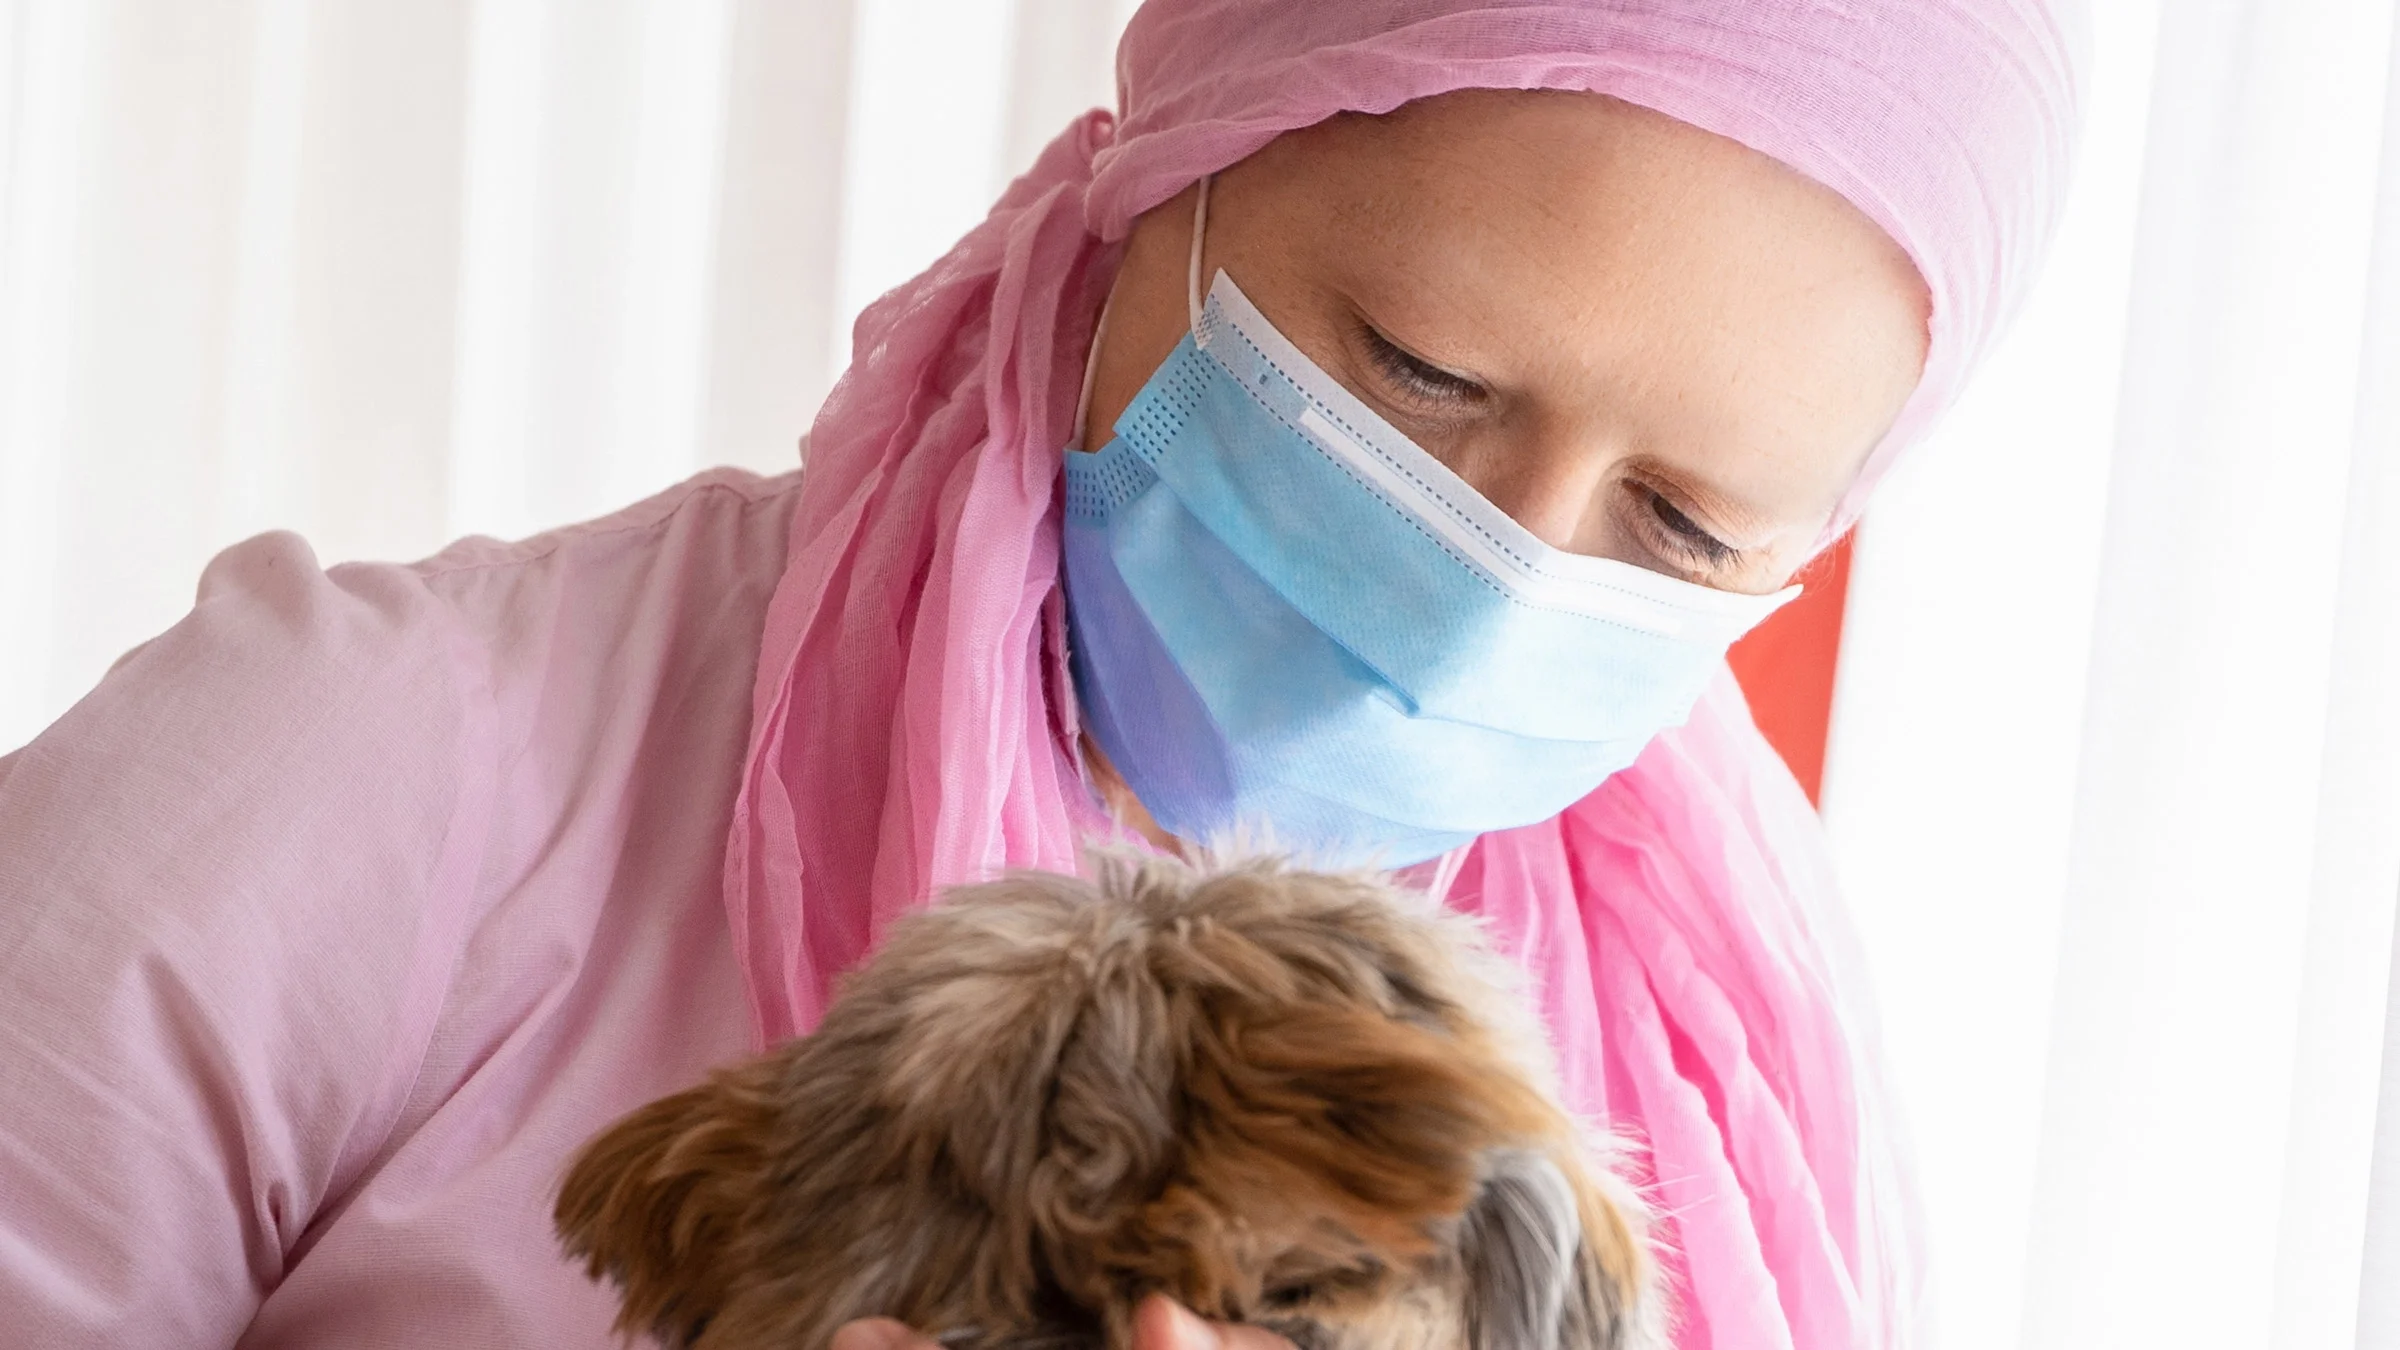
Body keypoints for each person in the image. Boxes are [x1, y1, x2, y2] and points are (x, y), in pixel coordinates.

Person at [0, 3, 2082, 1348]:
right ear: (1154, 192)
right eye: (1419, 378)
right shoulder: (364, 767)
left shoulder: (1732, 1079)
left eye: (1685, 531)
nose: (1492, 581)